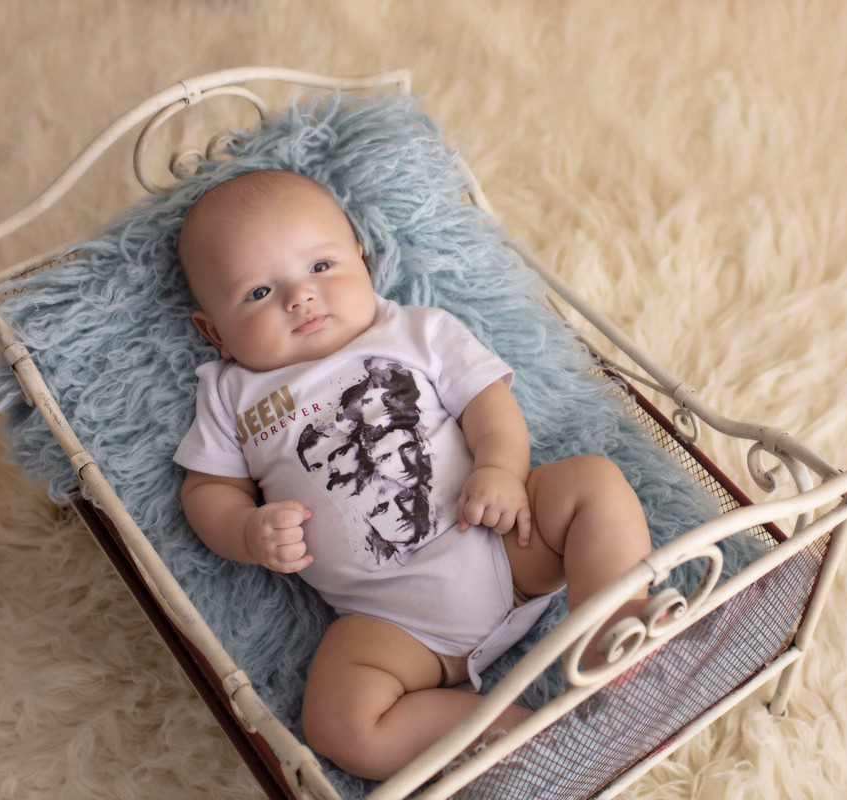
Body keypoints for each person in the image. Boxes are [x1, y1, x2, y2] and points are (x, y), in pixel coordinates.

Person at [172, 169, 652, 781]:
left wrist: (503, 469)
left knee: (593, 483)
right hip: (396, 626)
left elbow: (487, 401)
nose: (300, 297)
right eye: (259, 293)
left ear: (363, 261)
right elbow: (207, 490)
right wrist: (245, 530)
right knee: (337, 724)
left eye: (320, 267)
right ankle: (502, 732)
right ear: (213, 330)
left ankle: (610, 626)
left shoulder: (414, 331)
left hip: (506, 540)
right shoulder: (230, 395)